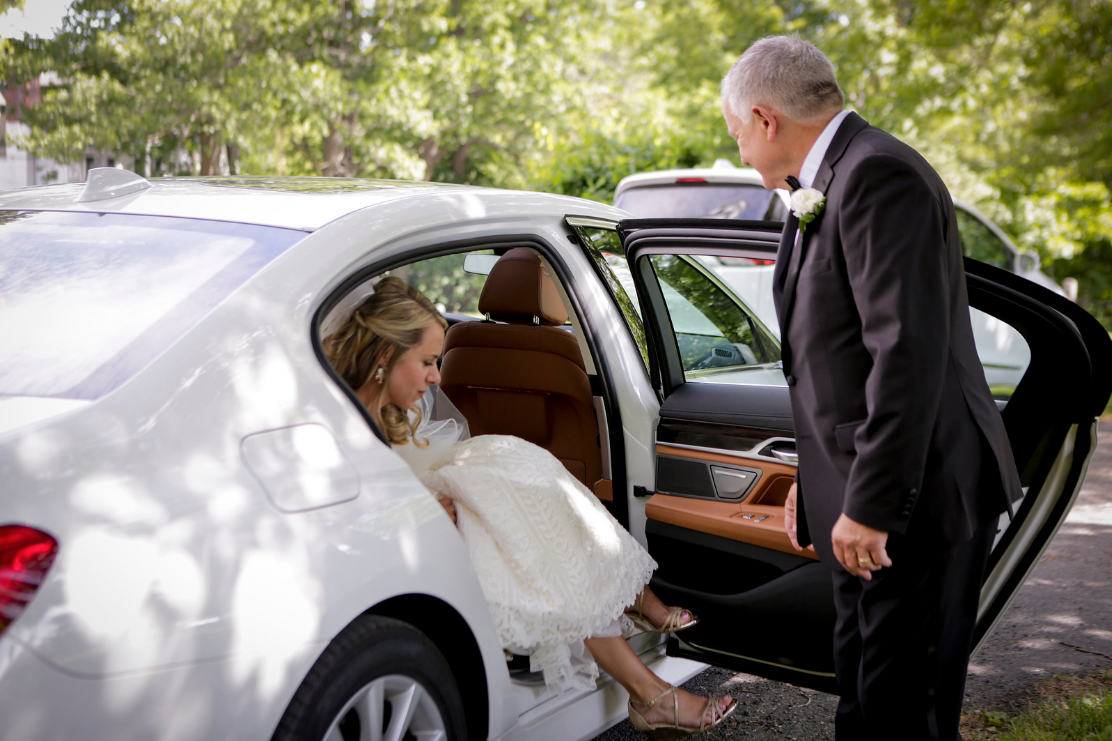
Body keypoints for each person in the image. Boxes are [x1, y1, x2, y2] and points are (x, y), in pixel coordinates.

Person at [720, 37, 1022, 741]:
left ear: (765, 119)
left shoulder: (879, 174)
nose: (740, 152)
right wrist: (816, 479)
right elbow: (835, 362)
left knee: (901, 711)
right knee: (861, 697)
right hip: (864, 491)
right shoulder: (827, 180)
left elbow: (905, 354)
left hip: (913, 501)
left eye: (736, 135)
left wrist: (873, 505)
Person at [323, 276, 737, 739]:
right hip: (406, 536)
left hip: (431, 499)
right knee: (531, 536)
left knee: (519, 462)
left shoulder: (384, 404)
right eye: (426, 362)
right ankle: (648, 677)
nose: (437, 377)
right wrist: (417, 510)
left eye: (437, 361)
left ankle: (642, 640)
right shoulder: (331, 422)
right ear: (383, 355)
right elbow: (343, 512)